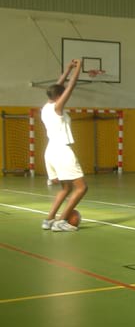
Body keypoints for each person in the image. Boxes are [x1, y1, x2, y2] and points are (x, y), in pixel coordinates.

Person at [41, 59, 88, 231]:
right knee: (82, 187)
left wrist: (68, 69)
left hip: (50, 151)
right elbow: (70, 87)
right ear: (59, 97)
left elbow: (58, 87)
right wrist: (78, 69)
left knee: (66, 188)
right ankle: (61, 221)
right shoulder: (57, 108)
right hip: (62, 150)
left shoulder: (46, 106)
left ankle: (48, 220)